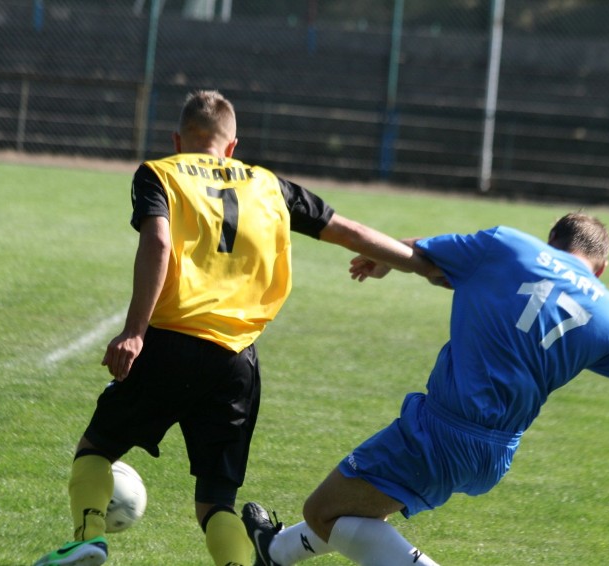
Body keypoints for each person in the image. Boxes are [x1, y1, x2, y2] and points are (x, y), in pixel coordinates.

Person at [33, 90, 437, 566]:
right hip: (237, 362)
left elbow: (159, 242)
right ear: (232, 145)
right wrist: (418, 262)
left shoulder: (160, 172)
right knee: (215, 502)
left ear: (178, 138)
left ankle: (89, 538)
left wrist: (134, 331)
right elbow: (347, 231)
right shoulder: (269, 185)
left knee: (96, 449)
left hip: (169, 343)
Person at [242, 212, 609, 566]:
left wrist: (386, 260)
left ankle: (282, 551)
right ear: (602, 268)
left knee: (323, 511)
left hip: (439, 428)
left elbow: (425, 255)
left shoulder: (509, 246)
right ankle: (275, 552)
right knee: (355, 507)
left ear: (550, 242)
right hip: (495, 454)